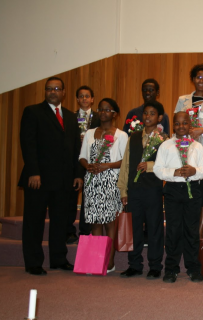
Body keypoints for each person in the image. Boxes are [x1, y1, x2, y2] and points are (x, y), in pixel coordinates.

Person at [19, 76, 83, 275]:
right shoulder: (33, 112)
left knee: (60, 221)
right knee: (34, 221)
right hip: (39, 179)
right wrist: (34, 172)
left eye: (57, 89)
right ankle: (33, 262)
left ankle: (58, 259)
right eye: (49, 89)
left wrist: (78, 174)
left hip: (64, 180)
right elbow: (28, 145)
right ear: (45, 91)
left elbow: (75, 148)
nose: (53, 92)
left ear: (63, 92)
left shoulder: (71, 117)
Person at [154, 112, 203, 283]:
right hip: (172, 190)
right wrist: (173, 173)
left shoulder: (197, 146)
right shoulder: (166, 146)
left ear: (190, 124)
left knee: (192, 230)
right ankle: (171, 268)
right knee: (173, 230)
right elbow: (157, 169)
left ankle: (193, 268)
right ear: (174, 126)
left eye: (184, 123)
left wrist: (194, 172)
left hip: (192, 189)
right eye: (177, 124)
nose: (181, 127)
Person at [118, 101, 167, 279]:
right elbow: (126, 165)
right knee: (134, 229)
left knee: (154, 228)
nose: (147, 117)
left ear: (159, 118)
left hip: (153, 189)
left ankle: (155, 266)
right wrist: (123, 189)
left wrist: (150, 165)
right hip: (134, 190)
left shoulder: (165, 139)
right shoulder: (134, 137)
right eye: (145, 113)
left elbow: (168, 164)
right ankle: (135, 265)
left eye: (152, 114)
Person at [79, 98, 128, 273]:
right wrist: (88, 166)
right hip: (92, 182)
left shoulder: (121, 135)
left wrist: (106, 166)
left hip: (111, 181)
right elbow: (82, 156)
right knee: (95, 222)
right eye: (101, 109)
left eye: (107, 109)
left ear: (114, 113)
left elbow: (125, 161)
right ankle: (96, 260)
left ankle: (109, 261)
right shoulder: (90, 133)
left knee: (110, 223)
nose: (103, 112)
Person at [174, 64, 203, 239]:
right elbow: (176, 124)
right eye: (198, 77)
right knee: (184, 188)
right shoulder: (182, 100)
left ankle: (199, 232)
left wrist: (200, 130)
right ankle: (184, 228)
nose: (201, 80)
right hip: (184, 148)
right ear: (193, 79)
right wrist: (187, 131)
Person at [66, 85, 100, 244]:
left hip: (91, 162)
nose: (84, 99)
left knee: (88, 198)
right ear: (77, 99)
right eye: (81, 96)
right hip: (73, 162)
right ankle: (69, 230)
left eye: (87, 96)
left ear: (92, 99)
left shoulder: (99, 117)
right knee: (70, 198)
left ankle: (85, 231)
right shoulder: (70, 117)